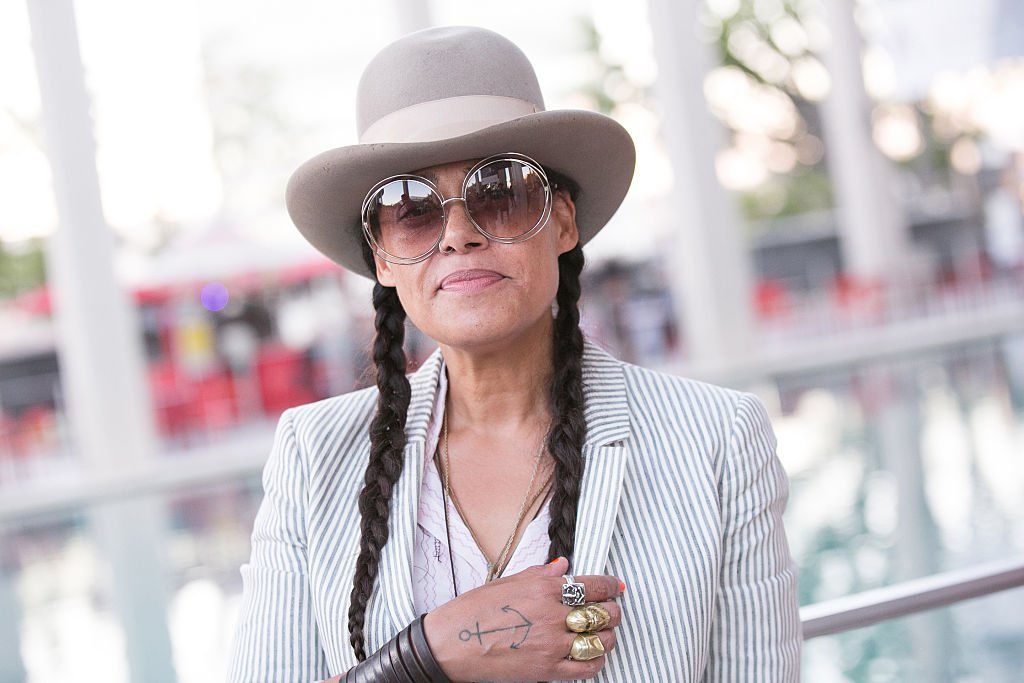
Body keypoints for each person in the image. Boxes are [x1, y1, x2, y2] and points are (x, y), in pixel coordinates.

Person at [228, 25, 801, 682]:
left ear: (561, 220)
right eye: (411, 208)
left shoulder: (716, 440)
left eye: (498, 191)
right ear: (381, 255)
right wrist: (430, 653)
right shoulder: (313, 456)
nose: (459, 234)